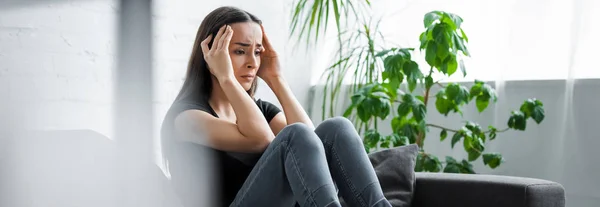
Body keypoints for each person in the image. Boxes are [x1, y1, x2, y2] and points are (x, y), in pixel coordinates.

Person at [160, 6, 392, 207]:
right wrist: (227, 78)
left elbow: (312, 146)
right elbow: (261, 139)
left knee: (337, 128)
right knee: (293, 134)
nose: (252, 62)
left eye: (257, 52)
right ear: (211, 54)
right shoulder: (187, 117)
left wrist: (276, 79)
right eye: (240, 51)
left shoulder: (260, 111)